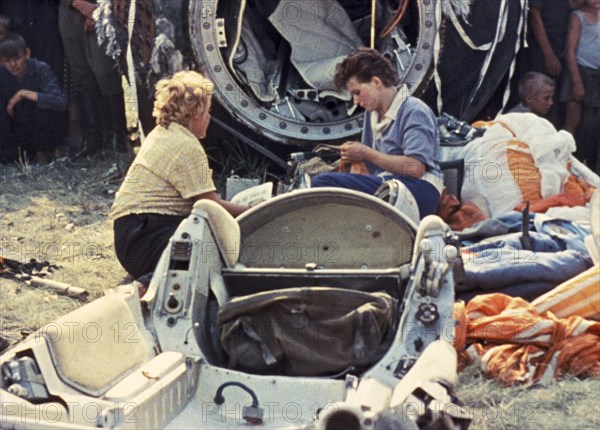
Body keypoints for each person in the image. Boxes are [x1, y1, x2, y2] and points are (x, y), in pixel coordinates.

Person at [110, 71, 252, 279]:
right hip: (146, 238)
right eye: (207, 112)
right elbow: (210, 206)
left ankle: (158, 278)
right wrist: (255, 211)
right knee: (214, 255)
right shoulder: (186, 145)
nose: (209, 118)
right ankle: (154, 282)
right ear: (195, 113)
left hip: (130, 235)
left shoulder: (163, 132)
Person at [311, 48, 443, 219]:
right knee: (322, 183)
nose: (356, 101)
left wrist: (366, 153)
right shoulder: (371, 113)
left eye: (357, 93)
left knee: (324, 183)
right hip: (389, 185)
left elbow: (415, 168)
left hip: (420, 190)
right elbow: (369, 169)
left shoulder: (414, 110)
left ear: (375, 82)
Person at [58, 0, 128, 155]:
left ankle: (118, 136)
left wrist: (96, 11)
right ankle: (93, 137)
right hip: (68, 10)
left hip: (99, 7)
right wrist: (77, 4)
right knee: (81, 75)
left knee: (105, 73)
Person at [0, 32, 68, 163]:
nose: (13, 65)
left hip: (39, 127)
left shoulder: (40, 69)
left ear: (27, 53)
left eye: (17, 58)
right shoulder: (2, 73)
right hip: (15, 130)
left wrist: (24, 94)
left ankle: (43, 151)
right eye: (7, 61)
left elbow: (61, 102)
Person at [527, 0, 584, 127]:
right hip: (543, 52)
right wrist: (549, 55)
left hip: (564, 51)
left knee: (558, 104)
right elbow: (534, 15)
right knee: (541, 98)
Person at [561, 0, 600, 170]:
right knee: (573, 122)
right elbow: (570, 51)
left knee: (589, 124)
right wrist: (577, 82)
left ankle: (584, 165)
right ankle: (562, 162)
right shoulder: (578, 17)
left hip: (595, 74)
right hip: (578, 71)